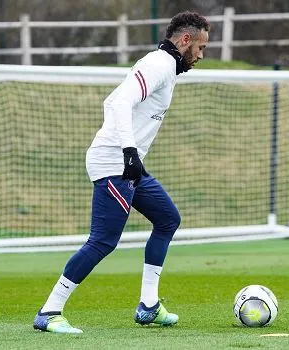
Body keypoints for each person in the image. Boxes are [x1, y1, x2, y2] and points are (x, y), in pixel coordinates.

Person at [33, 11, 210, 333]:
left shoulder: (167, 67)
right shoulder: (158, 64)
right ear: (185, 40)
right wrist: (129, 152)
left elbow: (118, 102)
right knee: (102, 241)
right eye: (200, 47)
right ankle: (49, 311)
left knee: (168, 219)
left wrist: (133, 157)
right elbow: (118, 103)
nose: (200, 55)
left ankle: (149, 306)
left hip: (130, 165)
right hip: (115, 162)